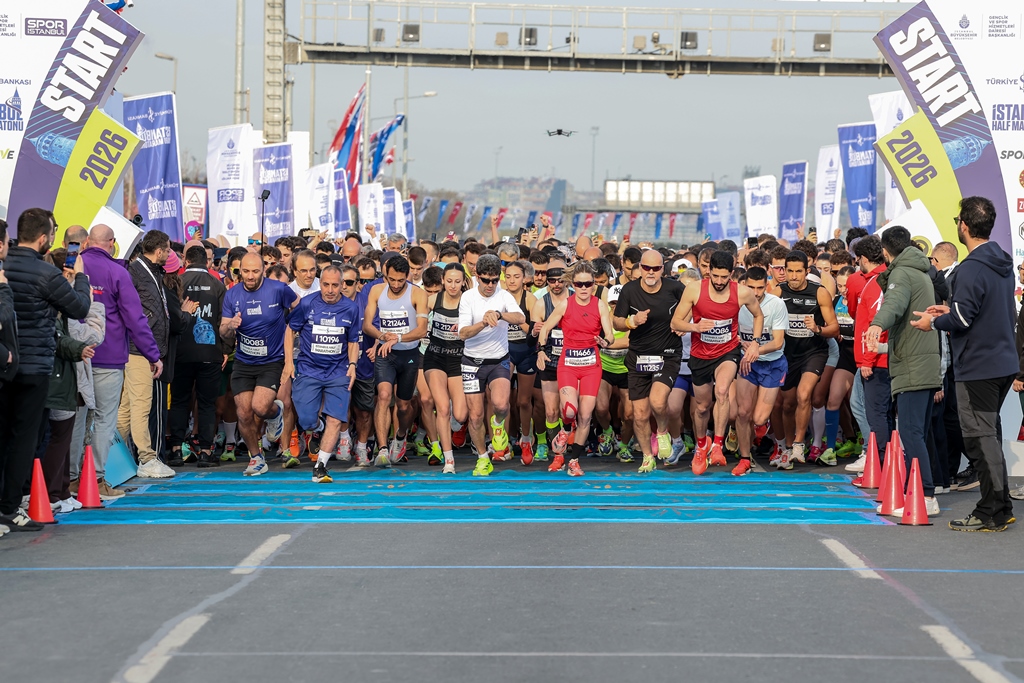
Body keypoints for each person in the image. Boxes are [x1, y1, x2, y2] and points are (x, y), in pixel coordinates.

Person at [911, 197, 1018, 532]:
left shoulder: (972, 267)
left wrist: (933, 322)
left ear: (965, 226)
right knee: (989, 436)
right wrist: (949, 312)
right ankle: (1000, 506)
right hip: (1002, 361)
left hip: (978, 365)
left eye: (958, 220)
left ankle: (991, 511)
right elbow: (977, 310)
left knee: (980, 439)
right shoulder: (1002, 261)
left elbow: (962, 318)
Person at [0, 209, 91, 531]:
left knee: (6, 434)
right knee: (25, 438)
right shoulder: (46, 273)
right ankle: (10, 506)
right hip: (34, 366)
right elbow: (80, 308)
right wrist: (81, 278)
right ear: (43, 238)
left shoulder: (6, 267)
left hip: (6, 361)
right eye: (52, 234)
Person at [75, 224, 162, 499]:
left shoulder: (74, 266)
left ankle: (71, 480)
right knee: (104, 420)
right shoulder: (116, 272)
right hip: (107, 356)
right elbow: (135, 318)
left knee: (77, 419)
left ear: (87, 242)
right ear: (112, 243)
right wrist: (152, 354)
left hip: (74, 354)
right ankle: (97, 480)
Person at [864, 227, 941, 517]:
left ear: (885, 251)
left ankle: (925, 495)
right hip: (920, 362)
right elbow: (907, 327)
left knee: (910, 433)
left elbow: (894, 305)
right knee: (918, 432)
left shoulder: (902, 273)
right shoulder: (920, 272)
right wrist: (885, 347)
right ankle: (926, 491)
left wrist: (876, 324)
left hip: (913, 367)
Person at [672, 251, 763, 475]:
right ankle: (701, 445)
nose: (720, 281)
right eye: (716, 276)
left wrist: (755, 342)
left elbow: (758, 315)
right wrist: (695, 327)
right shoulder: (695, 290)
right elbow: (675, 322)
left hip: (727, 352)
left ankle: (718, 445)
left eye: (724, 277)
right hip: (701, 355)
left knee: (722, 391)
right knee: (702, 407)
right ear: (708, 272)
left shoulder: (742, 292)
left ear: (731, 274)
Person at [220, 253, 298, 476]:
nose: (250, 276)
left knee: (260, 407)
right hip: (244, 361)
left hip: (271, 361)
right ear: (239, 271)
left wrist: (291, 329)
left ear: (263, 269)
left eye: (255, 271)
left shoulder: (279, 289)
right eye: (245, 271)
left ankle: (275, 413)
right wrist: (230, 326)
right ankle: (256, 457)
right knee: (244, 413)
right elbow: (223, 330)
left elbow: (298, 307)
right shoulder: (232, 294)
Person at [537, 261, 615, 476]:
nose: (583, 288)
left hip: (591, 365)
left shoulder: (600, 305)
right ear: (573, 284)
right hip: (568, 365)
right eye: (579, 284)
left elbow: (610, 334)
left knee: (586, 416)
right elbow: (545, 327)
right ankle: (565, 429)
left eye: (588, 284)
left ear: (593, 285)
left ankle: (574, 461)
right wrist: (541, 350)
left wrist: (605, 342)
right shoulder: (565, 304)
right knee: (570, 410)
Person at [613, 249, 686, 473]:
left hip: (668, 354)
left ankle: (662, 432)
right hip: (638, 356)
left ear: (663, 269)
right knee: (640, 414)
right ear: (640, 268)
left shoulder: (675, 288)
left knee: (658, 400)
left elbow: (694, 305)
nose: (651, 272)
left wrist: (684, 324)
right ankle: (647, 456)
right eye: (646, 268)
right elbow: (616, 321)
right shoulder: (629, 290)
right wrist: (632, 321)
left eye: (656, 268)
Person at [285, 266, 360, 483]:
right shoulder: (307, 304)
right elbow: (290, 330)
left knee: (335, 419)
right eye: (325, 284)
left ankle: (320, 466)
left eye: (335, 285)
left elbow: (353, 340)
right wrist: (288, 362)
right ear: (321, 283)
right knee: (307, 419)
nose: (330, 290)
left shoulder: (351, 308)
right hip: (309, 370)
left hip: (338, 371)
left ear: (342, 285)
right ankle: (317, 428)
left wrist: (353, 364)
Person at [458, 254, 526, 476]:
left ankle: (497, 424)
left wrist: (498, 314)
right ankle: (482, 458)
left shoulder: (504, 295)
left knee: (501, 405)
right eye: (486, 280)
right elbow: (463, 333)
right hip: (472, 362)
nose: (490, 285)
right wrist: (483, 322)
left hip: (498, 360)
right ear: (477, 276)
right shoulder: (468, 297)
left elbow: (520, 318)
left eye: (494, 280)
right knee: (475, 416)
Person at [120, 230, 179, 478]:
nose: (170, 254)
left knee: (126, 409)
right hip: (139, 349)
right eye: (168, 249)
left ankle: (111, 456)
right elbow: (135, 315)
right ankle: (146, 458)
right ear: (159, 251)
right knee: (142, 405)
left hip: (145, 348)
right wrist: (151, 351)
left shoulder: (152, 272)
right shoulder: (136, 272)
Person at [362, 255, 429, 467]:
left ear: (407, 276)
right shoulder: (376, 291)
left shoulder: (418, 294)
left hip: (408, 354)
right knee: (383, 396)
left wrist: (398, 338)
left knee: (403, 406)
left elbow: (422, 330)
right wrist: (383, 336)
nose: (397, 284)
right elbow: (367, 325)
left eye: (401, 280)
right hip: (386, 353)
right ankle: (382, 448)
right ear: (385, 275)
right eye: (392, 280)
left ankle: (400, 436)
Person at [776, 250, 839, 468]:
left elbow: (835, 328)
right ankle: (787, 448)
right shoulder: (778, 292)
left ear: (806, 271)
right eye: (790, 271)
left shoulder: (819, 293)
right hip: (787, 354)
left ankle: (799, 444)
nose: (794, 276)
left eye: (798, 272)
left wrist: (817, 328)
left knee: (804, 395)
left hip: (814, 352)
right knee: (787, 404)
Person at [169, 246, 227, 468]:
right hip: (209, 352)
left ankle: (176, 450)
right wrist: (225, 349)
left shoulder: (176, 282)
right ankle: (205, 451)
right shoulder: (217, 285)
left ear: (185, 260)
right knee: (206, 404)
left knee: (179, 401)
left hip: (181, 352)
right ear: (208, 262)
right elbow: (223, 321)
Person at [733, 267, 787, 475]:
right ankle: (745, 458)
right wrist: (741, 345)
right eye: (751, 287)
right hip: (748, 363)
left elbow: (778, 342)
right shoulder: (737, 303)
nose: (755, 293)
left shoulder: (776, 304)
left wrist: (755, 349)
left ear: (767, 285)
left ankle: (763, 431)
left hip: (772, 363)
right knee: (742, 413)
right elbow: (731, 332)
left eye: (760, 288)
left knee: (758, 419)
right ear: (744, 285)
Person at [422, 263, 468, 473]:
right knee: (442, 408)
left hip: (458, 360)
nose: (453, 285)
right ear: (442, 280)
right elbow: (417, 321)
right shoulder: (433, 300)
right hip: (435, 358)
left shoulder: (468, 302)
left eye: (457, 281)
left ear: (463, 282)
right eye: (449, 281)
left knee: (460, 415)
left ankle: (456, 420)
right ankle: (448, 459)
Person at [531, 254, 570, 462]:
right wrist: (538, 345)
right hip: (550, 361)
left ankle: (566, 440)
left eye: (560, 280)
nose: (556, 284)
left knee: (569, 411)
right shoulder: (540, 304)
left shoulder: (577, 299)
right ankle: (558, 454)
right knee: (551, 411)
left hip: (573, 361)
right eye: (552, 280)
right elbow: (533, 338)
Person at [504, 260, 539, 464]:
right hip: (505, 350)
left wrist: (518, 320)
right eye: (508, 276)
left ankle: (526, 438)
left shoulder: (530, 299)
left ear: (524, 279)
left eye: (516, 277)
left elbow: (534, 332)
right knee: (502, 400)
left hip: (526, 351)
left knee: (523, 401)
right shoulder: (499, 297)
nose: (512, 281)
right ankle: (503, 441)